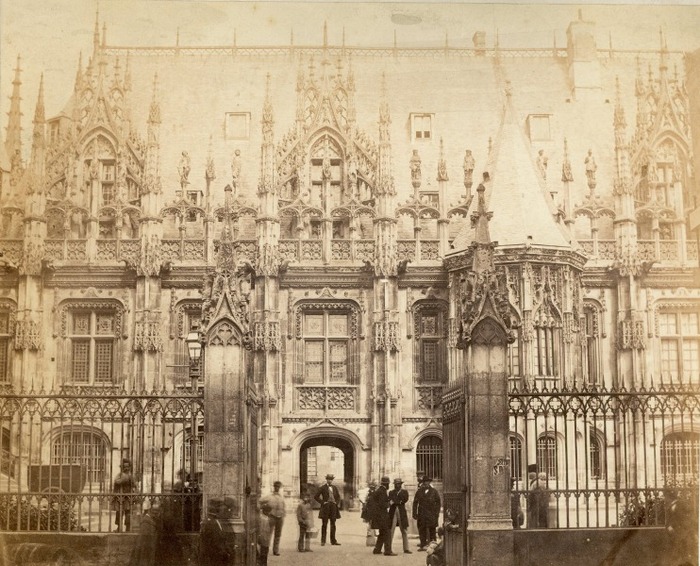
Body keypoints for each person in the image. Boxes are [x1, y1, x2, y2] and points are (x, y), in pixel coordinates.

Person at [199, 497, 237, 566]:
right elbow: (215, 543)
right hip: (213, 559)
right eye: (220, 508)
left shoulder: (218, 522)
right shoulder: (210, 523)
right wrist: (226, 552)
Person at [412, 476, 441, 551]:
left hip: (431, 513)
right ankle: (423, 545)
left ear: (429, 482)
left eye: (428, 482)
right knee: (422, 529)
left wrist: (436, 513)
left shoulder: (434, 491)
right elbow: (415, 502)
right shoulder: (419, 491)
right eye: (425, 482)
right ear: (423, 483)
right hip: (422, 514)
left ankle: (433, 546)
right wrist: (414, 513)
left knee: (432, 529)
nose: (427, 483)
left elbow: (438, 503)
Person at [370, 476, 396, 556]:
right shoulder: (382, 491)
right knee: (387, 532)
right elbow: (382, 504)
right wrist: (390, 503)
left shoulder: (379, 490)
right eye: (388, 483)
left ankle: (377, 549)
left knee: (382, 533)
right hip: (382, 515)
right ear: (386, 484)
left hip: (378, 515)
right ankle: (387, 551)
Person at [314, 473, 342, 546]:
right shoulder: (322, 488)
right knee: (324, 524)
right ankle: (323, 541)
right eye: (328, 479)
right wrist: (323, 502)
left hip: (333, 507)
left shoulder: (335, 488)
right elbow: (316, 496)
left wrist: (336, 503)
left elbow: (338, 497)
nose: (330, 481)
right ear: (326, 479)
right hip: (326, 507)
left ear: (332, 480)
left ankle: (333, 541)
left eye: (331, 479)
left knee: (333, 524)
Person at [260, 480, 285, 556]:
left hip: (280, 518)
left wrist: (283, 514)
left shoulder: (281, 497)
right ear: (274, 487)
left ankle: (276, 550)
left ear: (280, 488)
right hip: (272, 517)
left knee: (278, 534)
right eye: (276, 486)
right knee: (268, 533)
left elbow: (283, 507)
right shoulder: (269, 497)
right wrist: (264, 509)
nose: (277, 488)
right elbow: (260, 501)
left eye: (278, 487)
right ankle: (266, 548)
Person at [388, 478, 412, 554]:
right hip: (393, 511)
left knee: (404, 530)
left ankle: (406, 548)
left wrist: (396, 501)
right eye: (396, 484)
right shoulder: (391, 492)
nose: (397, 485)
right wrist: (398, 501)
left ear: (400, 484)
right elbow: (392, 500)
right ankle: (389, 548)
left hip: (401, 511)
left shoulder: (404, 492)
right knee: (391, 529)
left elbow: (405, 499)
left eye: (398, 484)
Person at [113, 458, 137, 532]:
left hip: (127, 497)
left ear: (129, 467)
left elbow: (118, 481)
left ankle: (128, 528)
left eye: (127, 467)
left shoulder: (126, 476)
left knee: (128, 512)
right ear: (122, 467)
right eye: (124, 467)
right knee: (119, 512)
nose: (126, 468)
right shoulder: (122, 475)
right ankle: (119, 527)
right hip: (120, 496)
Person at [359, 480, 378, 544]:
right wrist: (364, 503)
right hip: (369, 509)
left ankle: (374, 533)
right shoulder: (368, 493)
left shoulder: (375, 493)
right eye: (371, 488)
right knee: (369, 522)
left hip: (374, 509)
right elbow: (365, 500)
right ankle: (369, 533)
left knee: (373, 521)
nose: (372, 489)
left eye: (373, 488)